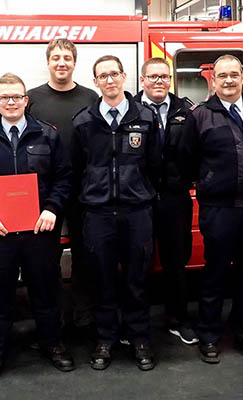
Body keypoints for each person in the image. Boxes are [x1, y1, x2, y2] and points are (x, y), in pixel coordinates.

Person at [0, 72, 74, 382]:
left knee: (47, 291)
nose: (11, 102)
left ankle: (53, 344)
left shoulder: (47, 135)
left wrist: (52, 209)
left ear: (26, 100)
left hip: (40, 232)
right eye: (4, 97)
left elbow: (64, 177)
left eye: (16, 97)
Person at [180, 54, 243, 364]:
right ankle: (208, 334)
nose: (229, 80)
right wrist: (209, 181)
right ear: (214, 80)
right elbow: (187, 159)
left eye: (234, 74)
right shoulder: (201, 116)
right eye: (222, 76)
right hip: (218, 210)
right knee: (214, 273)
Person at [72, 55, 162, 371]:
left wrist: (141, 193)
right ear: (95, 82)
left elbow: (155, 166)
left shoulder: (146, 118)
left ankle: (139, 338)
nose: (109, 80)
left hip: (137, 212)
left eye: (114, 74)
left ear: (124, 76)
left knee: (137, 279)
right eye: (102, 76)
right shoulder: (83, 122)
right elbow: (76, 169)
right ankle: (105, 339)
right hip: (97, 215)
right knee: (103, 281)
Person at [26, 39, 99, 337]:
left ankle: (83, 319)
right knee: (45, 258)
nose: (61, 63)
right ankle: (51, 322)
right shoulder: (32, 99)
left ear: (74, 62)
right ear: (48, 62)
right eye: (55, 57)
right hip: (44, 194)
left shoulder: (90, 97)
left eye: (67, 58)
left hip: (85, 190)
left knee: (85, 256)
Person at [134, 57, 198, 345]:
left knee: (176, 262)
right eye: (153, 76)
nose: (159, 81)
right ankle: (137, 324)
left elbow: (199, 152)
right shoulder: (129, 111)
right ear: (142, 80)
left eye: (164, 76)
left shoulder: (186, 111)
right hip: (139, 200)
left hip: (175, 199)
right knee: (138, 263)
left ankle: (178, 319)